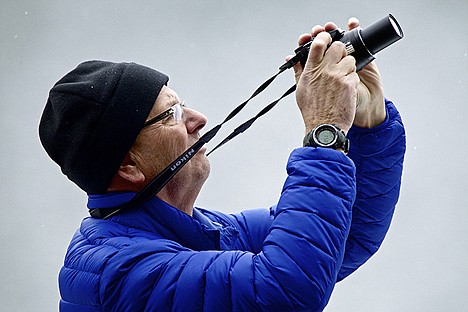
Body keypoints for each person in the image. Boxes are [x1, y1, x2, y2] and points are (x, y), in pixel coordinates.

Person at [39, 18, 405, 312]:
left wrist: (366, 124)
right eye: (172, 115)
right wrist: (324, 131)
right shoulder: (119, 270)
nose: (198, 118)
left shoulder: (198, 233)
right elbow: (285, 292)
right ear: (129, 166)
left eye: (183, 104)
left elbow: (345, 233)